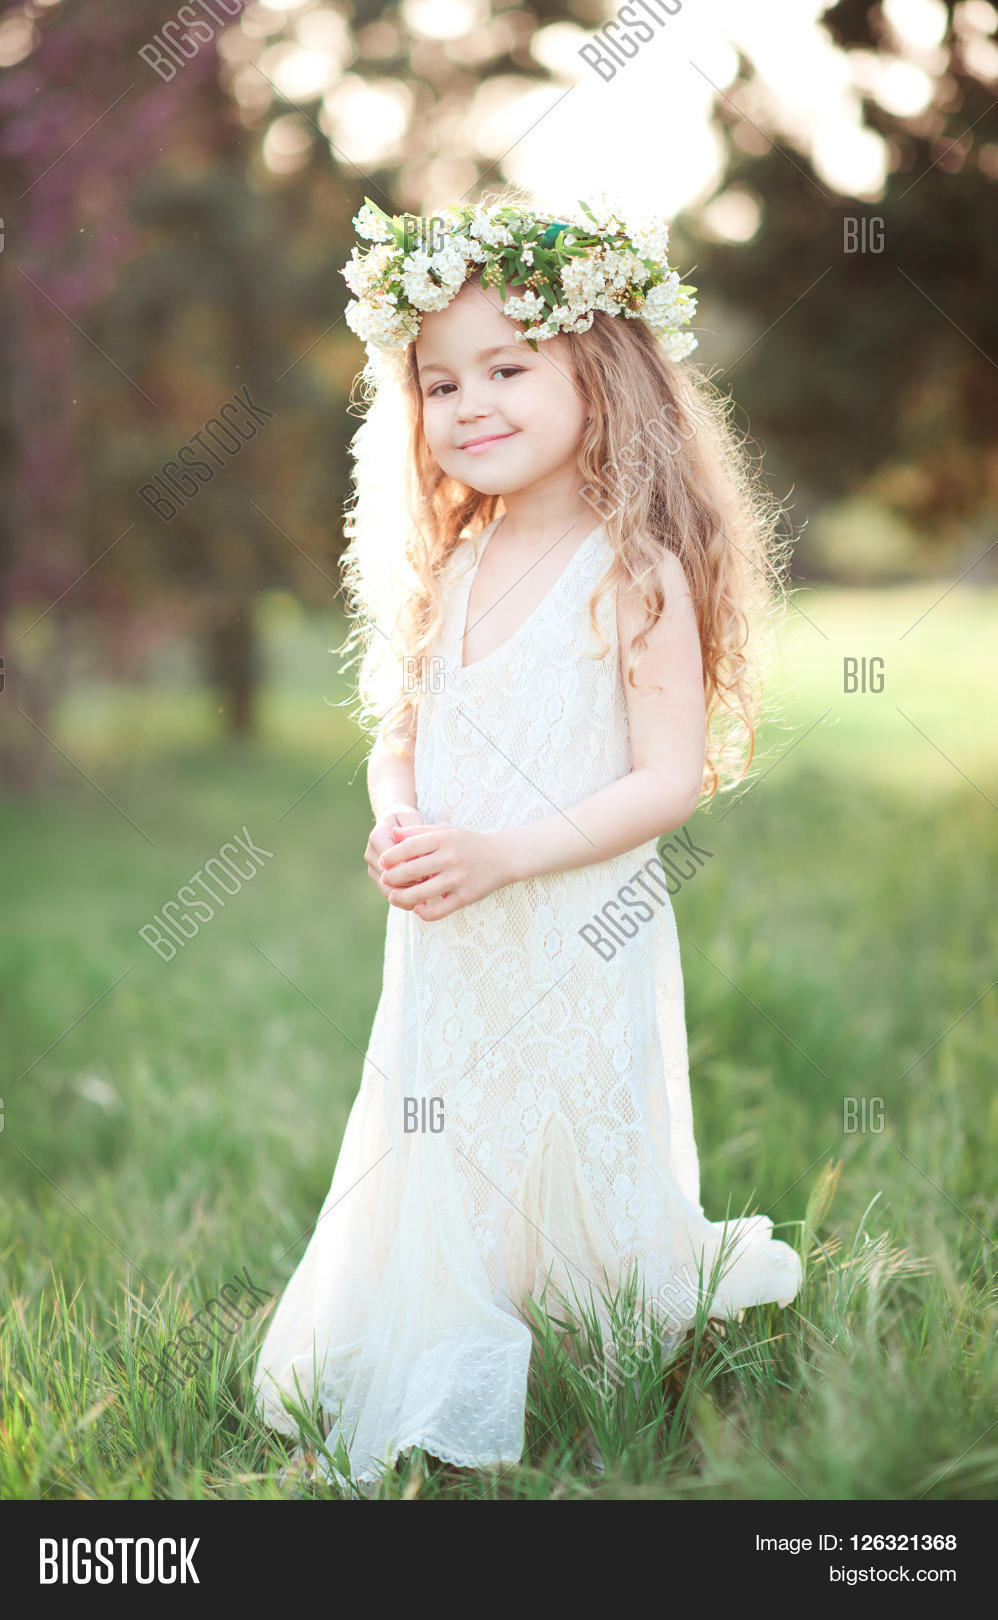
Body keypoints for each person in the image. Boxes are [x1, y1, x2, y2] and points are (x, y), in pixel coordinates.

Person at [253, 190, 802, 1490]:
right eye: (439, 381)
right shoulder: (445, 565)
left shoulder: (633, 568)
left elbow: (666, 781)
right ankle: (444, 1344)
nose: (470, 403)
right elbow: (398, 734)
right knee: (444, 1133)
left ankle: (601, 1338)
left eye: (507, 366)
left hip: (569, 919)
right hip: (449, 932)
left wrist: (506, 852)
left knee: (565, 1122)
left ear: (598, 375)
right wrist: (400, 820)